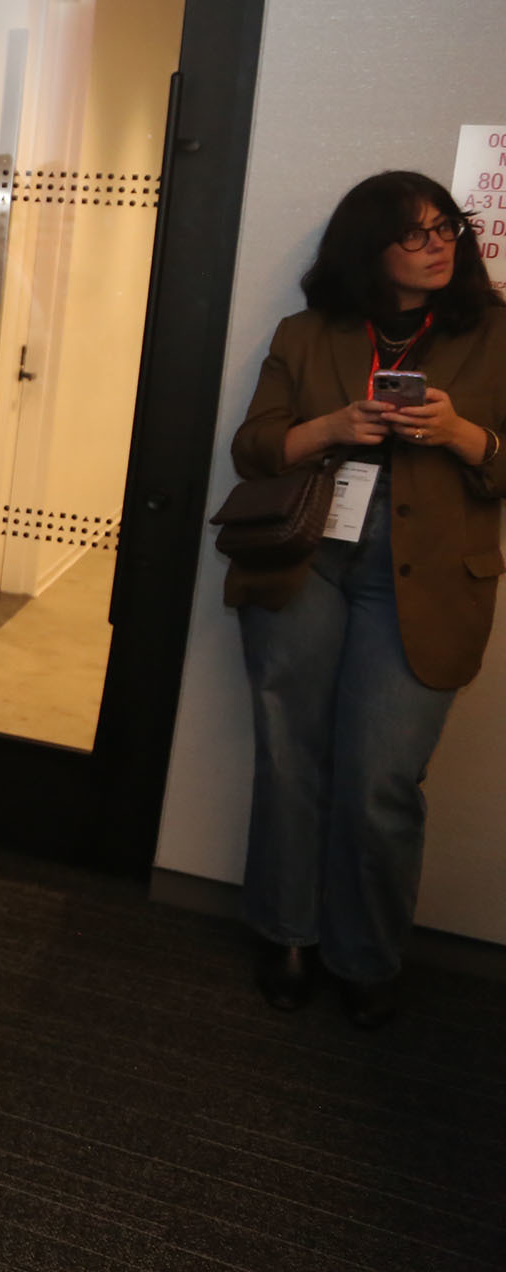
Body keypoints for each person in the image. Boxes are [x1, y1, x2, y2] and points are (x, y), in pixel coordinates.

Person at [226, 170, 505, 1030]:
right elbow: (253, 447)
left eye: (446, 228)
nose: (438, 245)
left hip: (427, 570)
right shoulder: (309, 332)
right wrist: (334, 428)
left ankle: (365, 953)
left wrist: (460, 434)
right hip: (308, 554)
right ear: (368, 248)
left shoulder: (495, 333)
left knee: (381, 776)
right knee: (291, 753)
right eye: (414, 233)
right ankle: (288, 933)